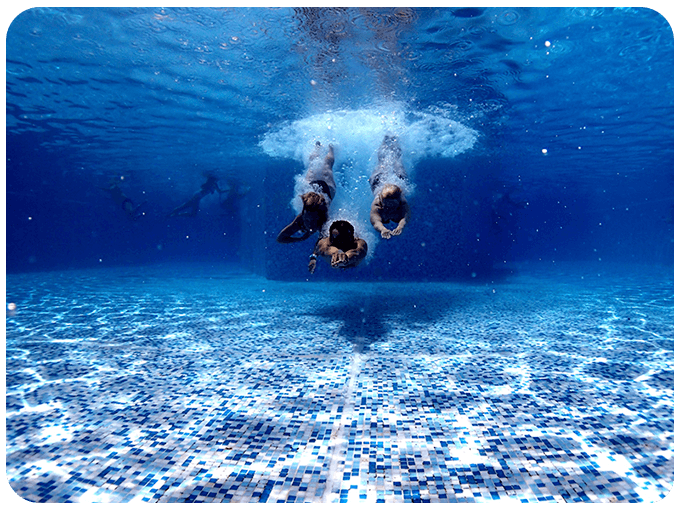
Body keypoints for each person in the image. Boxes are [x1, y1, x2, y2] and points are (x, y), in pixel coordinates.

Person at [277, 142, 336, 243]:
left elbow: (321, 243)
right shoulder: (300, 220)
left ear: (319, 217)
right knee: (318, 165)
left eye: (313, 221)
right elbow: (280, 238)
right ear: (303, 214)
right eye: (308, 220)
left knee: (325, 165)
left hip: (323, 188)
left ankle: (331, 148)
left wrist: (313, 255)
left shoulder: (324, 221)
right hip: (328, 189)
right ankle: (319, 148)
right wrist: (300, 238)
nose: (310, 224)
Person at [369, 135, 411, 239]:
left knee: (397, 160)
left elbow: (406, 217)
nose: (389, 209)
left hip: (380, 179)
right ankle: (385, 139)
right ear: (381, 201)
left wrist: (401, 226)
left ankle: (396, 139)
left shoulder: (403, 202)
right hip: (379, 180)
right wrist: (382, 229)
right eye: (387, 206)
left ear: (399, 201)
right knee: (382, 161)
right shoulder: (377, 204)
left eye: (392, 206)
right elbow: (375, 221)